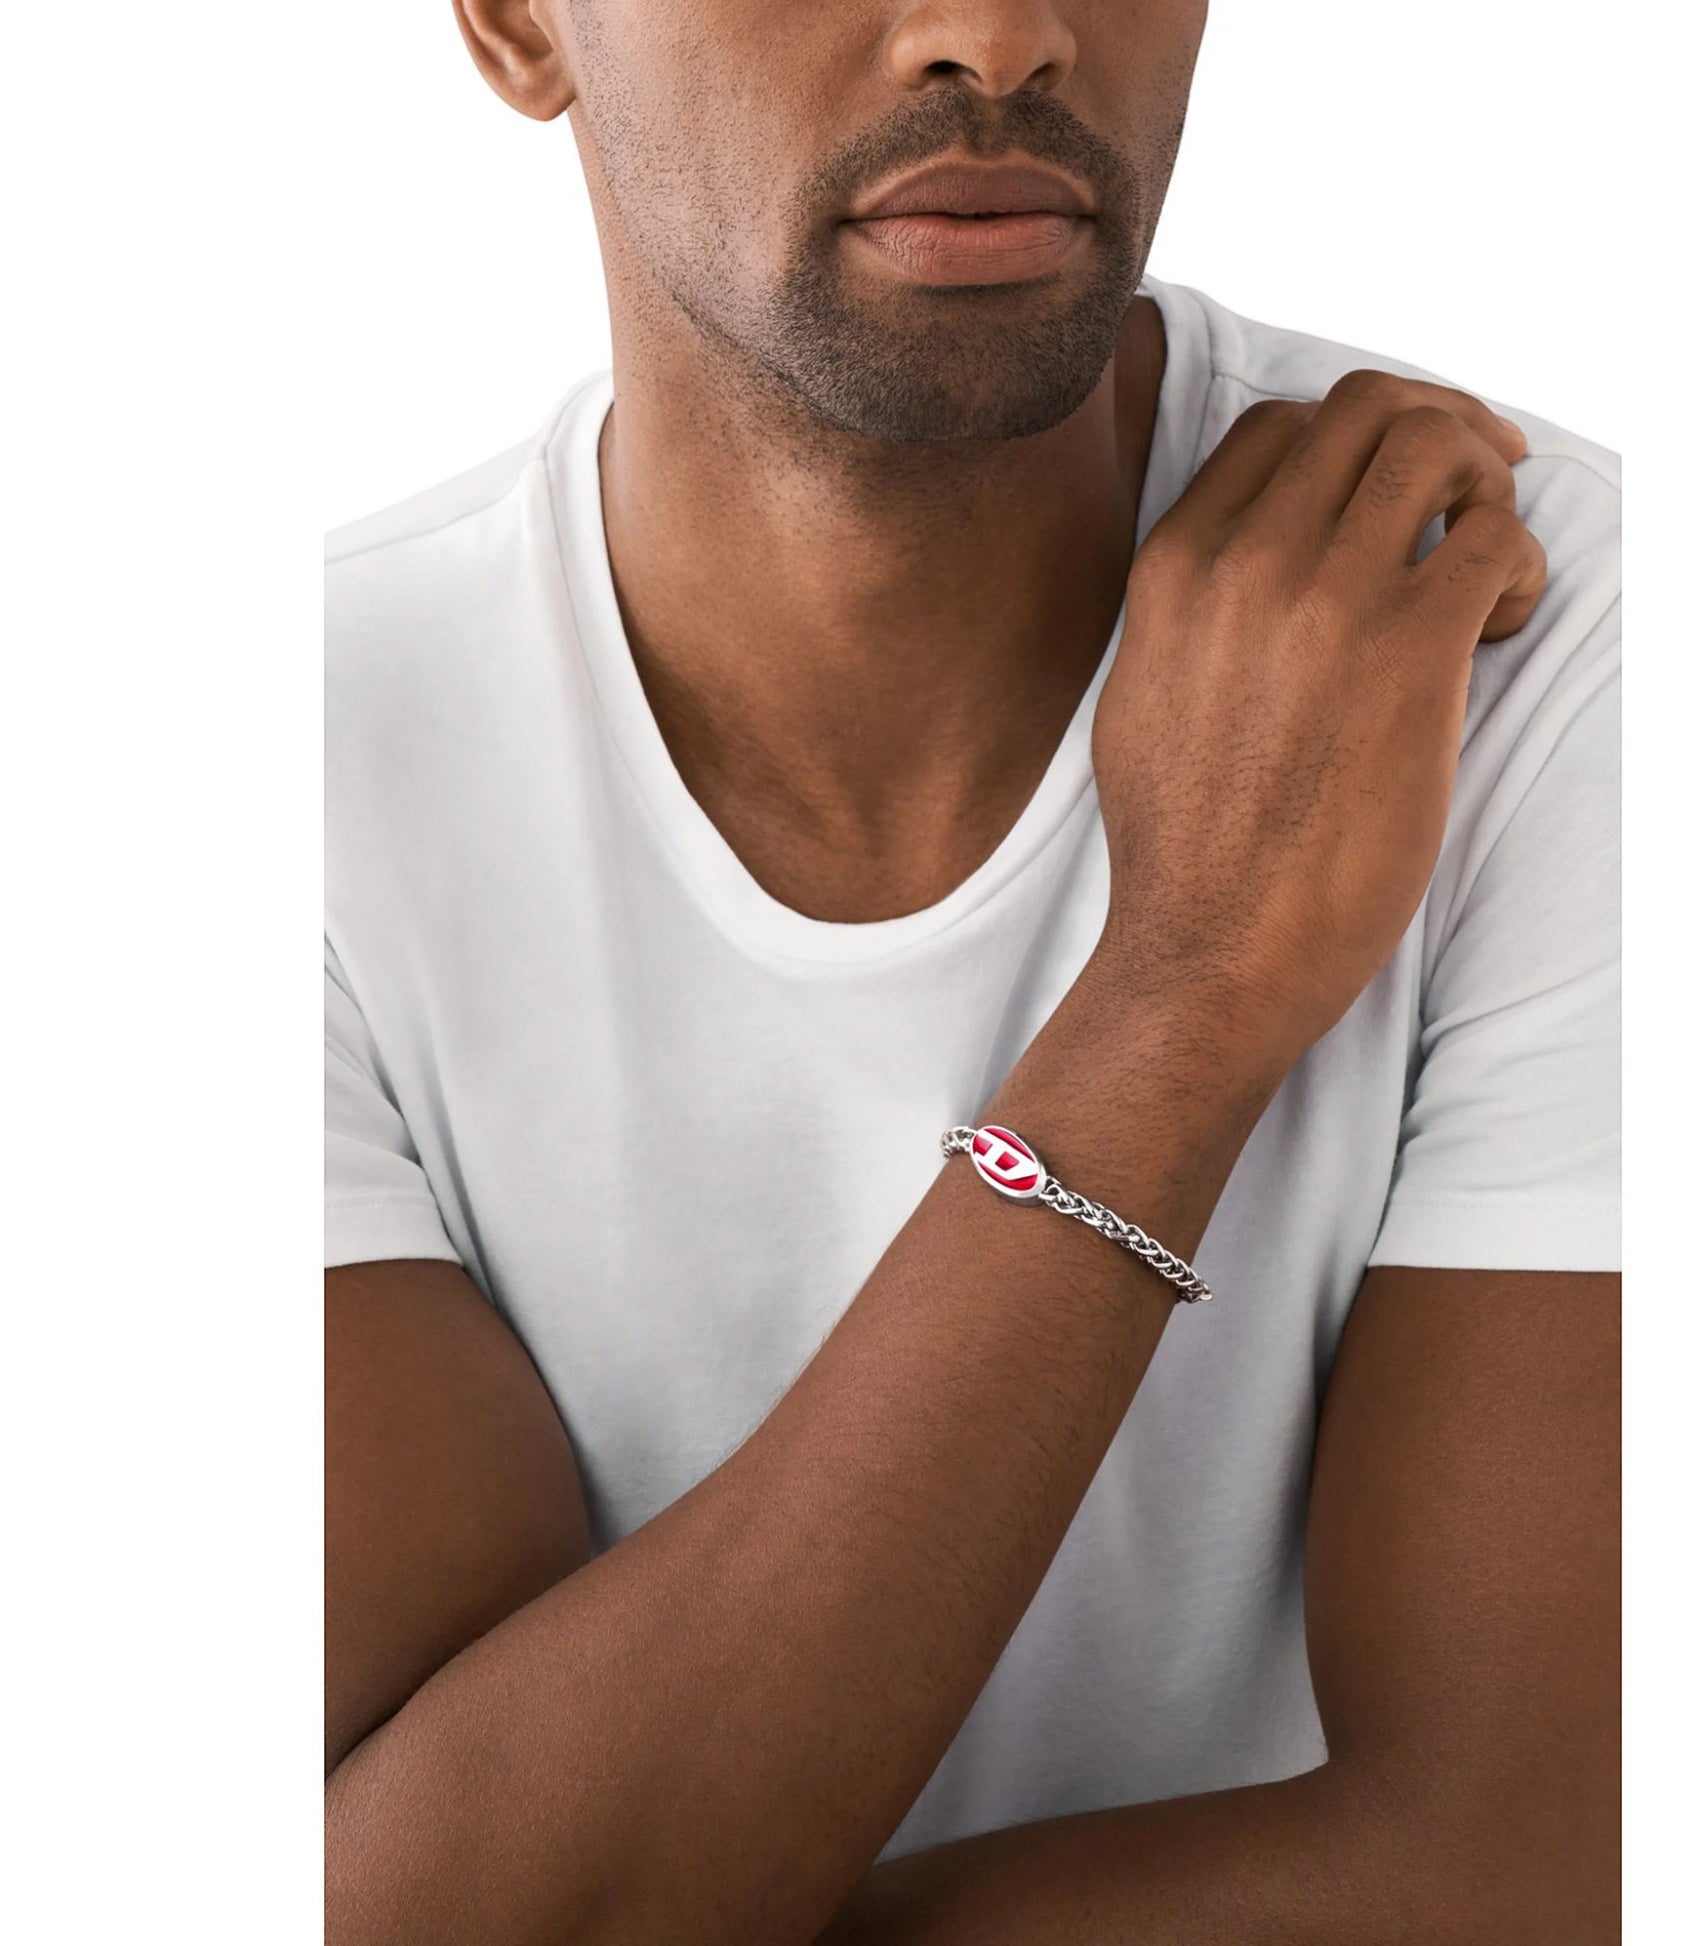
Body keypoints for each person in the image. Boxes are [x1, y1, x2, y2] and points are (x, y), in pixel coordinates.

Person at [324, 2, 1621, 1940]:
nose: (1000, 36)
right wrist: (1181, 1001)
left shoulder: (1520, 635)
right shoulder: (282, 774)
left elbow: (1537, 1865)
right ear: (520, 25)